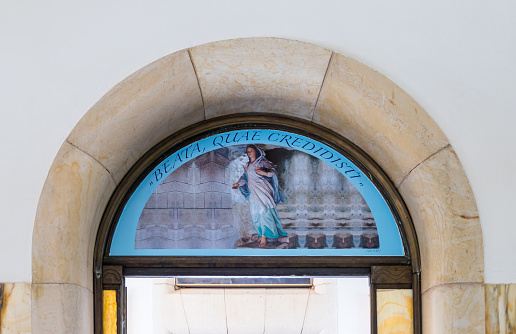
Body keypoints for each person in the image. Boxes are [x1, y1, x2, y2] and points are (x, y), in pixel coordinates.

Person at [232, 145, 287, 247]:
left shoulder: (262, 162)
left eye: (251, 151)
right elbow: (245, 178)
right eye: (248, 151)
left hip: (263, 190)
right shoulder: (247, 165)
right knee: (255, 214)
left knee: (264, 213)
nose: (249, 153)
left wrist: (264, 173)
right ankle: (261, 234)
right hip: (253, 192)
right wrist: (238, 184)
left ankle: (265, 237)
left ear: (256, 152)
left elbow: (273, 173)